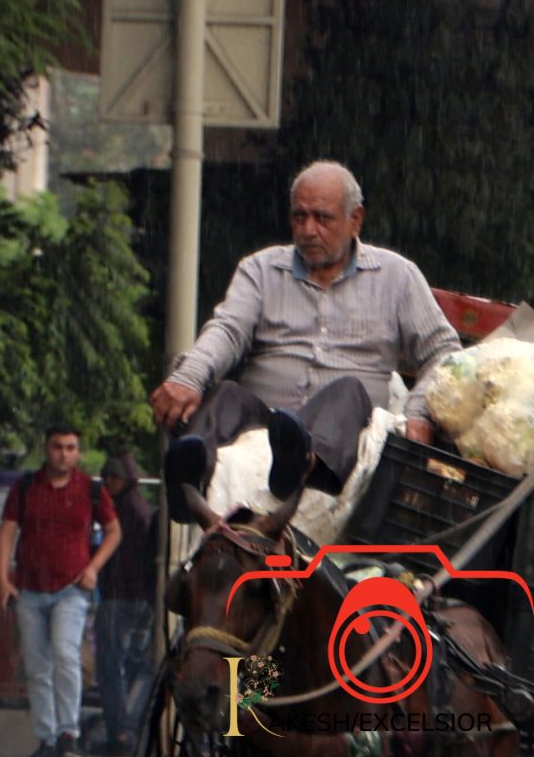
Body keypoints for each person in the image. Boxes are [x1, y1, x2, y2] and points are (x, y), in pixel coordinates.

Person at [150, 160, 461, 521]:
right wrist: (188, 377)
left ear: (355, 220)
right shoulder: (261, 270)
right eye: (299, 217)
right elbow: (228, 330)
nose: (309, 230)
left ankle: (302, 463)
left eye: (322, 218)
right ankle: (187, 486)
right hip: (265, 418)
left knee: (349, 391)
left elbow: (443, 353)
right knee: (224, 395)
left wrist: (419, 412)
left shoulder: (397, 276)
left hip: (343, 431)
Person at [0, 426, 117, 757]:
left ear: (77, 452)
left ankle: (68, 733)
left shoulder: (90, 489)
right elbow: (7, 531)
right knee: (37, 666)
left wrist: (93, 568)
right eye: (57, 447)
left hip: (71, 588)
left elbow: (113, 530)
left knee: (65, 654)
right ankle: (46, 738)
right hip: (30, 588)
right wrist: (2, 577)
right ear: (46, 450)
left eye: (70, 447)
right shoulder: (25, 487)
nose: (63, 453)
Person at [92, 454, 157, 755]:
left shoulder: (124, 511)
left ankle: (120, 730)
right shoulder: (141, 509)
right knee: (136, 664)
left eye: (113, 477)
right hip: (140, 599)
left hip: (121, 597)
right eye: (105, 477)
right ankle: (129, 727)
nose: (108, 483)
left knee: (110, 664)